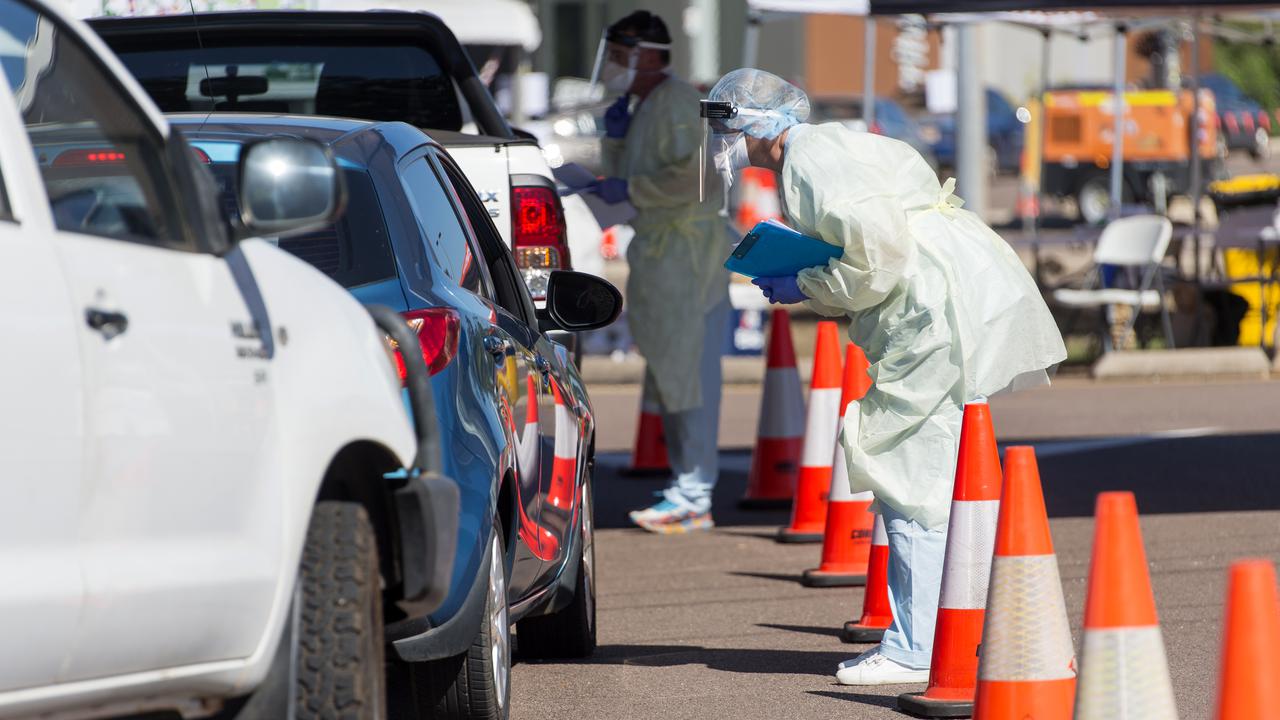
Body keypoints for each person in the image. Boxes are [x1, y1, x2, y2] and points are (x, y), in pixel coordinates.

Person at [703, 68, 1067, 684]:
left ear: (751, 124)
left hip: (923, 311)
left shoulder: (810, 160)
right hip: (935, 300)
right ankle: (951, 631)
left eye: (726, 126)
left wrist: (806, 282)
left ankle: (914, 647)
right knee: (937, 472)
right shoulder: (824, 147)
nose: (725, 145)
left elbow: (878, 257)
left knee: (907, 472)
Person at [591, 11, 732, 534]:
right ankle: (686, 484)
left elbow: (696, 180)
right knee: (674, 375)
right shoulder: (647, 104)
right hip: (661, 252)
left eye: (621, 55)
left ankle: (694, 491)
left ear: (648, 55)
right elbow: (640, 175)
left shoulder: (675, 102)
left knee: (689, 376)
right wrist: (617, 147)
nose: (612, 66)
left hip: (685, 257)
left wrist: (630, 190)